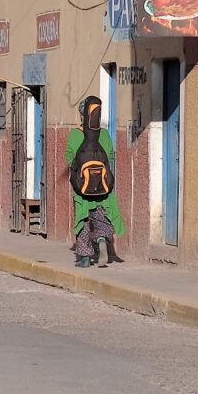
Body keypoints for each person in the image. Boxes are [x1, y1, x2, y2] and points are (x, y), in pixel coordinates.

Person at [64, 95, 123, 267]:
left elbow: (69, 157)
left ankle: (84, 258)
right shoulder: (104, 134)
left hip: (82, 187)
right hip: (103, 187)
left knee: (83, 219)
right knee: (100, 215)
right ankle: (102, 239)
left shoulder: (75, 135)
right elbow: (111, 156)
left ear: (83, 116)